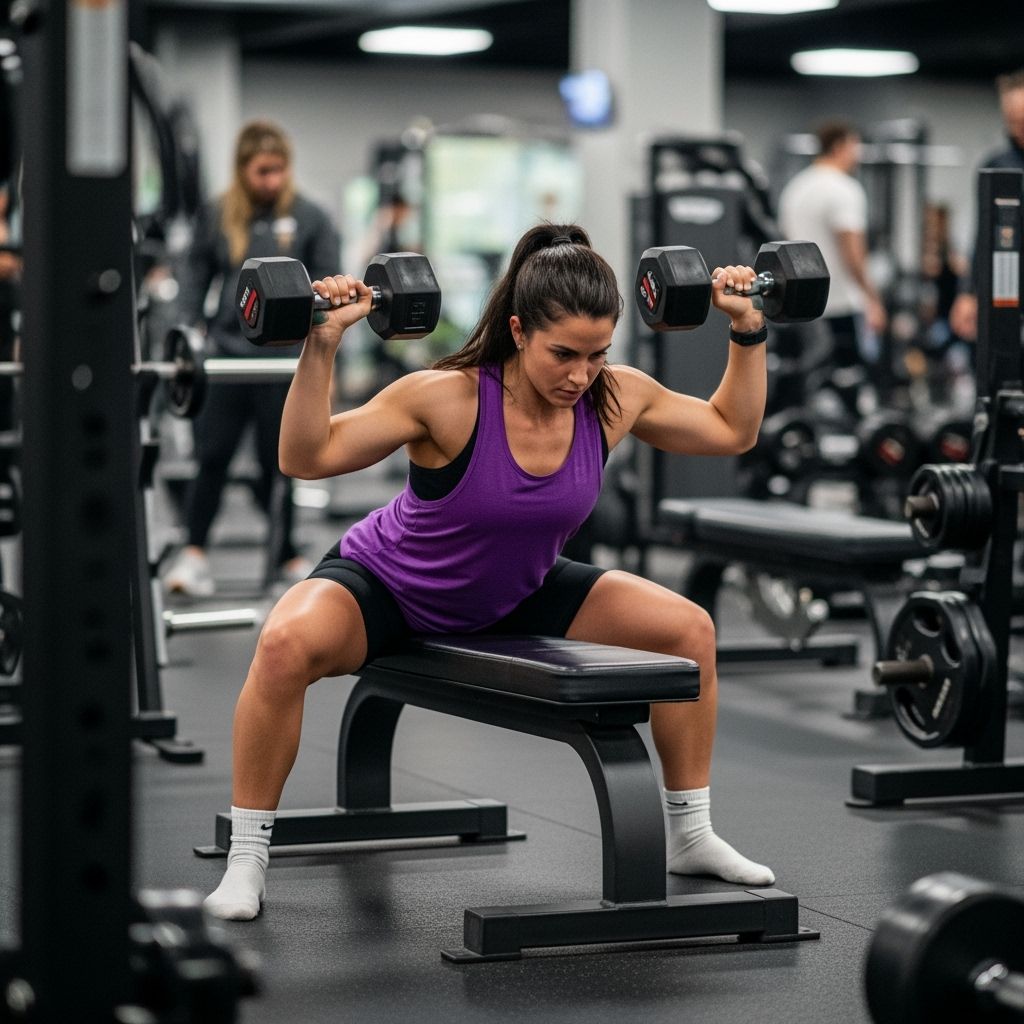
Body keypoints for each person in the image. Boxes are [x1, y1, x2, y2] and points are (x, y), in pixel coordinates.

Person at [202, 222, 774, 922]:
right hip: (390, 590)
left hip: (518, 588)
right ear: (518, 330)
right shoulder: (448, 398)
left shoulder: (612, 398)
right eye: (563, 354)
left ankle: (691, 834)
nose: (579, 375)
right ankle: (248, 858)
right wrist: (320, 342)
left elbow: (731, 431)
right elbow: (305, 457)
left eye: (596, 355)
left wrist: (747, 332)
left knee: (689, 630)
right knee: (285, 643)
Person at [165, 120, 340, 597]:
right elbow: (194, 281)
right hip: (226, 360)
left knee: (276, 465)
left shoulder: (311, 218)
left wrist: (325, 363)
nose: (272, 181)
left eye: (279, 170)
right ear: (243, 169)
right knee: (213, 457)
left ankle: (286, 557)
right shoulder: (219, 214)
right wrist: (188, 337)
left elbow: (330, 289)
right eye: (263, 171)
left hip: (282, 366)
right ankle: (195, 555)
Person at [777, 119, 887, 408]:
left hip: (799, 306)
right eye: (855, 147)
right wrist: (872, 298)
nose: (858, 154)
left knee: (805, 384)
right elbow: (853, 252)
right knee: (849, 388)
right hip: (838, 306)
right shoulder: (844, 189)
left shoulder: (795, 188)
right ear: (839, 147)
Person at [948, 68, 1024, 343]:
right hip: (1009, 292)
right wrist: (967, 293)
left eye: (1023, 120)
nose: (1018, 129)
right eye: (1012, 121)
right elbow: (983, 235)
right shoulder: (996, 167)